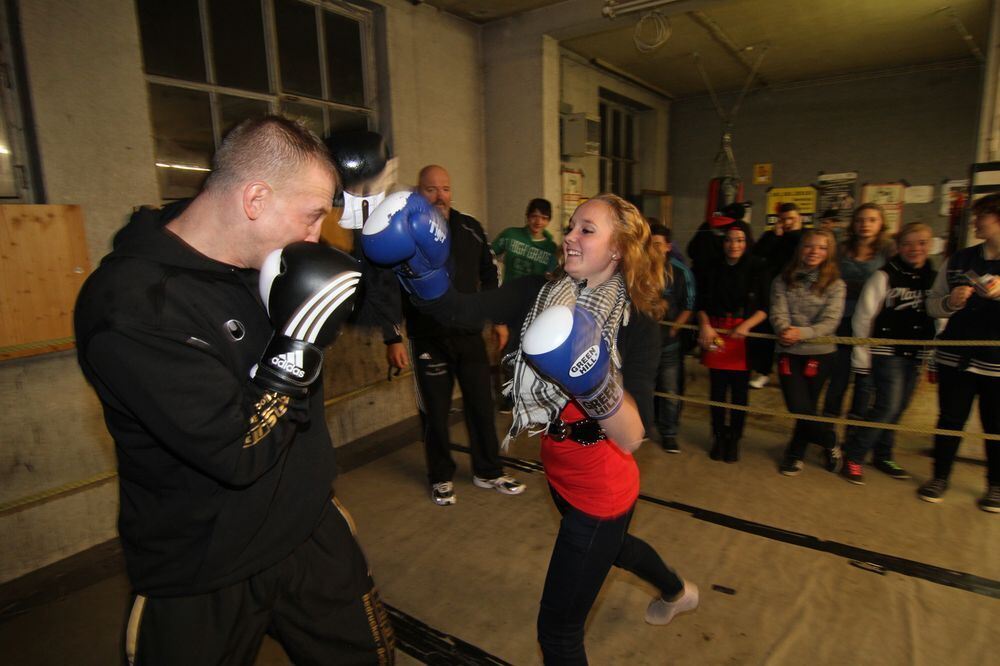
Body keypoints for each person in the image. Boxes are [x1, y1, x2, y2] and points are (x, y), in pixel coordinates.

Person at [74, 116, 394, 665]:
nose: (317, 236)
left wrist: (372, 224)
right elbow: (237, 450)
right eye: (313, 215)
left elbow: (374, 311)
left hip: (308, 531)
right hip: (202, 567)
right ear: (254, 198)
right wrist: (297, 346)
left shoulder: (265, 257)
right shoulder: (132, 305)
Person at [364, 192, 698, 663]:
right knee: (616, 549)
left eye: (587, 229)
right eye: (571, 226)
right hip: (558, 472)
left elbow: (631, 436)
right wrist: (418, 267)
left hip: (602, 489)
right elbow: (458, 311)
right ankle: (677, 590)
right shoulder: (538, 293)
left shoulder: (635, 320)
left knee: (558, 632)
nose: (569, 236)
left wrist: (593, 375)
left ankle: (673, 589)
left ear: (619, 249)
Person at [389, 164, 524, 506]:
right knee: (434, 413)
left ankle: (488, 471)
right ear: (420, 192)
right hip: (427, 339)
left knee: (481, 406)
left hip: (469, 335)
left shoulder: (470, 229)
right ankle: (440, 476)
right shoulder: (404, 235)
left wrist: (499, 319)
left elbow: (490, 272)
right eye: (431, 189)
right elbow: (389, 290)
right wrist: (392, 338)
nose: (440, 196)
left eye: (445, 189)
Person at [919, 193, 1000, 512]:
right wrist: (950, 303)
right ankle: (939, 477)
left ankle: (996, 485)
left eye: (981, 215)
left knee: (996, 426)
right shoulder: (960, 259)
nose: (975, 221)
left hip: (996, 364)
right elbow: (931, 305)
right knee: (950, 420)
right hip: (955, 359)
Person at [842, 223, 936, 485]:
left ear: (930, 245)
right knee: (887, 406)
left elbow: (940, 316)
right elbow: (863, 317)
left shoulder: (934, 277)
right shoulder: (883, 276)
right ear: (898, 246)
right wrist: (861, 357)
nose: (915, 249)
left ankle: (883, 455)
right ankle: (855, 455)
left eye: (922, 243)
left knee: (899, 407)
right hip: (886, 350)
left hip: (916, 352)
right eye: (908, 243)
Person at [769, 229, 846, 476]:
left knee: (808, 407)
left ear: (829, 252)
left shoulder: (836, 284)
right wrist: (784, 329)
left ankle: (795, 452)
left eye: (821, 247)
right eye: (809, 246)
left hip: (819, 352)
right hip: (788, 350)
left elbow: (830, 322)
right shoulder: (783, 279)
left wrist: (800, 333)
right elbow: (777, 311)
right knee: (798, 406)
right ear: (800, 249)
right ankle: (829, 440)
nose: (814, 252)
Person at [696, 222, 769, 462]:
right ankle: (718, 435)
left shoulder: (758, 267)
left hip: (743, 336)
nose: (734, 245)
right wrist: (705, 324)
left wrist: (746, 325)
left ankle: (734, 438)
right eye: (729, 240)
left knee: (739, 393)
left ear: (747, 242)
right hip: (716, 331)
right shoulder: (711, 267)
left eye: (739, 240)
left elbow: (765, 307)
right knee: (717, 390)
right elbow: (701, 303)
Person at [822, 203, 895, 428]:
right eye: (861, 220)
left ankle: (854, 437)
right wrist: (863, 287)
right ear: (854, 223)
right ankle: (828, 434)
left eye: (872, 219)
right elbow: (828, 279)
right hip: (842, 319)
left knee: (864, 382)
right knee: (838, 380)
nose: (865, 224)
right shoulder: (842, 249)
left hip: (872, 322)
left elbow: (890, 286)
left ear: (881, 223)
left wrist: (851, 287)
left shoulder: (889, 250)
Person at [749, 202, 806, 389]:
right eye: (784, 219)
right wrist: (775, 236)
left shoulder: (806, 237)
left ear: (799, 218)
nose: (788, 222)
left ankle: (793, 375)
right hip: (771, 291)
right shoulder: (772, 235)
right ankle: (763, 371)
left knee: (792, 334)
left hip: (799, 293)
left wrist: (794, 234)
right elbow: (756, 256)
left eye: (792, 218)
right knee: (766, 333)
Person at [650, 223, 695, 453]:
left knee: (669, 389)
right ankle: (643, 428)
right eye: (649, 244)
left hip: (669, 344)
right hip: (643, 345)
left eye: (658, 244)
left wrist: (674, 329)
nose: (653, 249)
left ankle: (669, 433)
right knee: (643, 388)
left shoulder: (680, 271)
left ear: (668, 247)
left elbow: (689, 305)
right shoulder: (637, 268)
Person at [492, 198, 559, 282]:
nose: (538, 222)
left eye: (544, 218)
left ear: (549, 221)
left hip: (535, 293)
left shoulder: (551, 247)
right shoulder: (510, 235)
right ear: (527, 216)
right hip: (508, 291)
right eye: (534, 216)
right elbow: (488, 254)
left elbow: (551, 277)